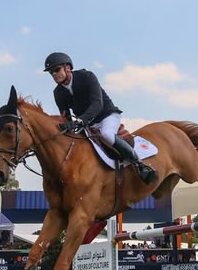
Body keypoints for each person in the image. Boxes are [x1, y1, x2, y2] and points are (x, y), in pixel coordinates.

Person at [43, 51, 158, 184]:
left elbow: (97, 103)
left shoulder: (87, 77)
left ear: (67, 68)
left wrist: (80, 121)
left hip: (107, 116)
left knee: (107, 134)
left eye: (56, 70)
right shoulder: (58, 93)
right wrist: (66, 126)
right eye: (51, 72)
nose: (54, 74)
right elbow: (66, 116)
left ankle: (140, 164)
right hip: (87, 124)